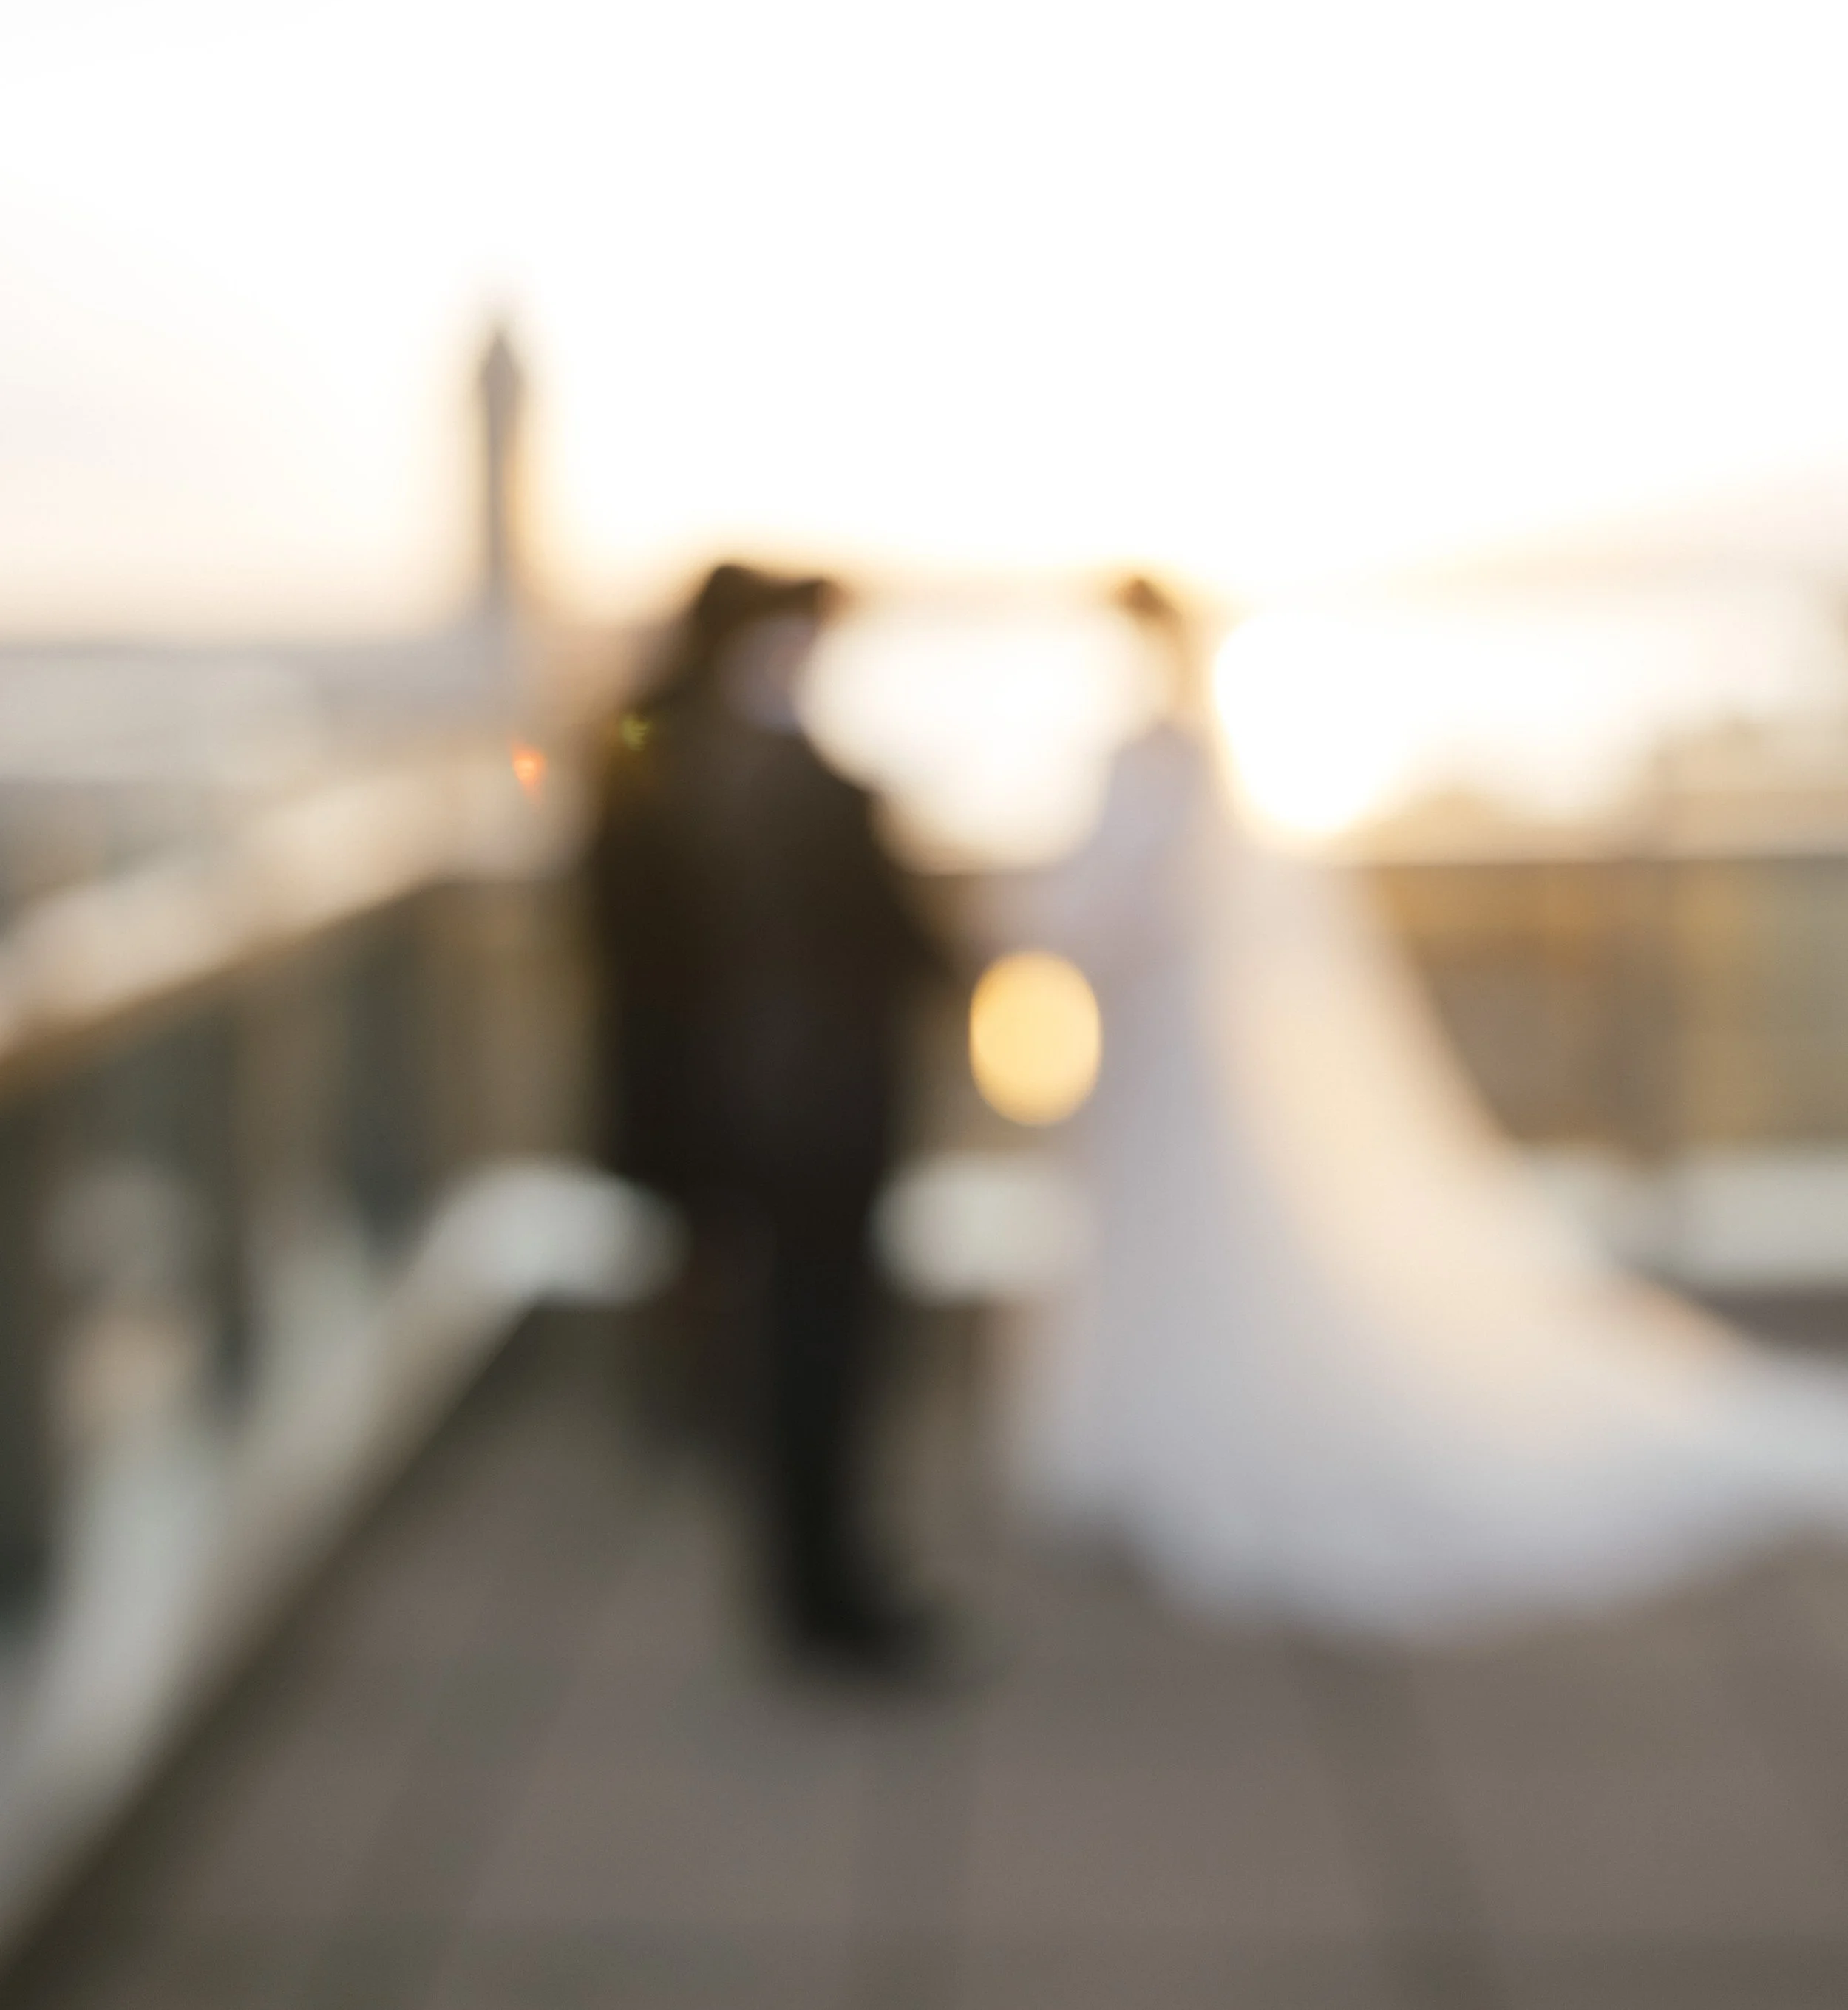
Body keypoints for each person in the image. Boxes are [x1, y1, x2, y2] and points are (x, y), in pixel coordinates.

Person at [993, 577, 1848, 1635]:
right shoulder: (1175, 757)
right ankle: (1156, 1446)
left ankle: (1188, 1450)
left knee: (1192, 1240)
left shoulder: (1169, 760)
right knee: (1170, 1243)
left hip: (1169, 1047)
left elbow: (1132, 901)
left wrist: (1019, 924)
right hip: (1157, 1050)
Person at [585, 563, 948, 1668]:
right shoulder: (775, 771)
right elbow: (888, 935)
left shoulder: (655, 746)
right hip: (810, 1105)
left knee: (775, 1345)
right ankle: (823, 1594)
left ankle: (812, 1580)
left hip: (733, 1102)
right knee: (816, 1349)